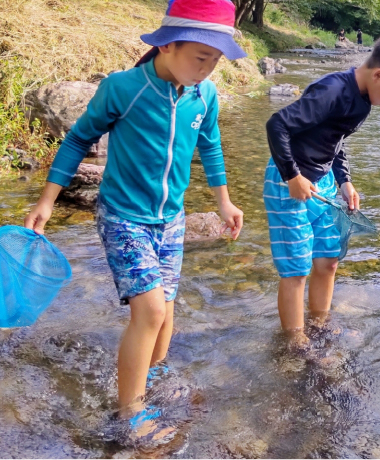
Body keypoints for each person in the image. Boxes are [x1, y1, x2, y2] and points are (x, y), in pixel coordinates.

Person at [23, 0, 245, 444]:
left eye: (216, 61)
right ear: (167, 45)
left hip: (172, 219)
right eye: (201, 57)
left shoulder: (204, 95)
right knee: (151, 310)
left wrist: (224, 202)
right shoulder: (124, 88)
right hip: (124, 216)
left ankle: (153, 375)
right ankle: (130, 412)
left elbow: (210, 146)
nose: (207, 69)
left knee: (167, 309)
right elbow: (78, 139)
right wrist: (47, 200)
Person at [263, 32, 380, 349]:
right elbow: (277, 125)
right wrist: (292, 176)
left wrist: (345, 181)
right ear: (379, 75)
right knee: (297, 270)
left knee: (328, 260)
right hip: (289, 184)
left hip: (323, 182)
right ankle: (295, 341)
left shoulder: (363, 102)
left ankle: (319, 323)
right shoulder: (332, 91)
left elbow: (335, 142)